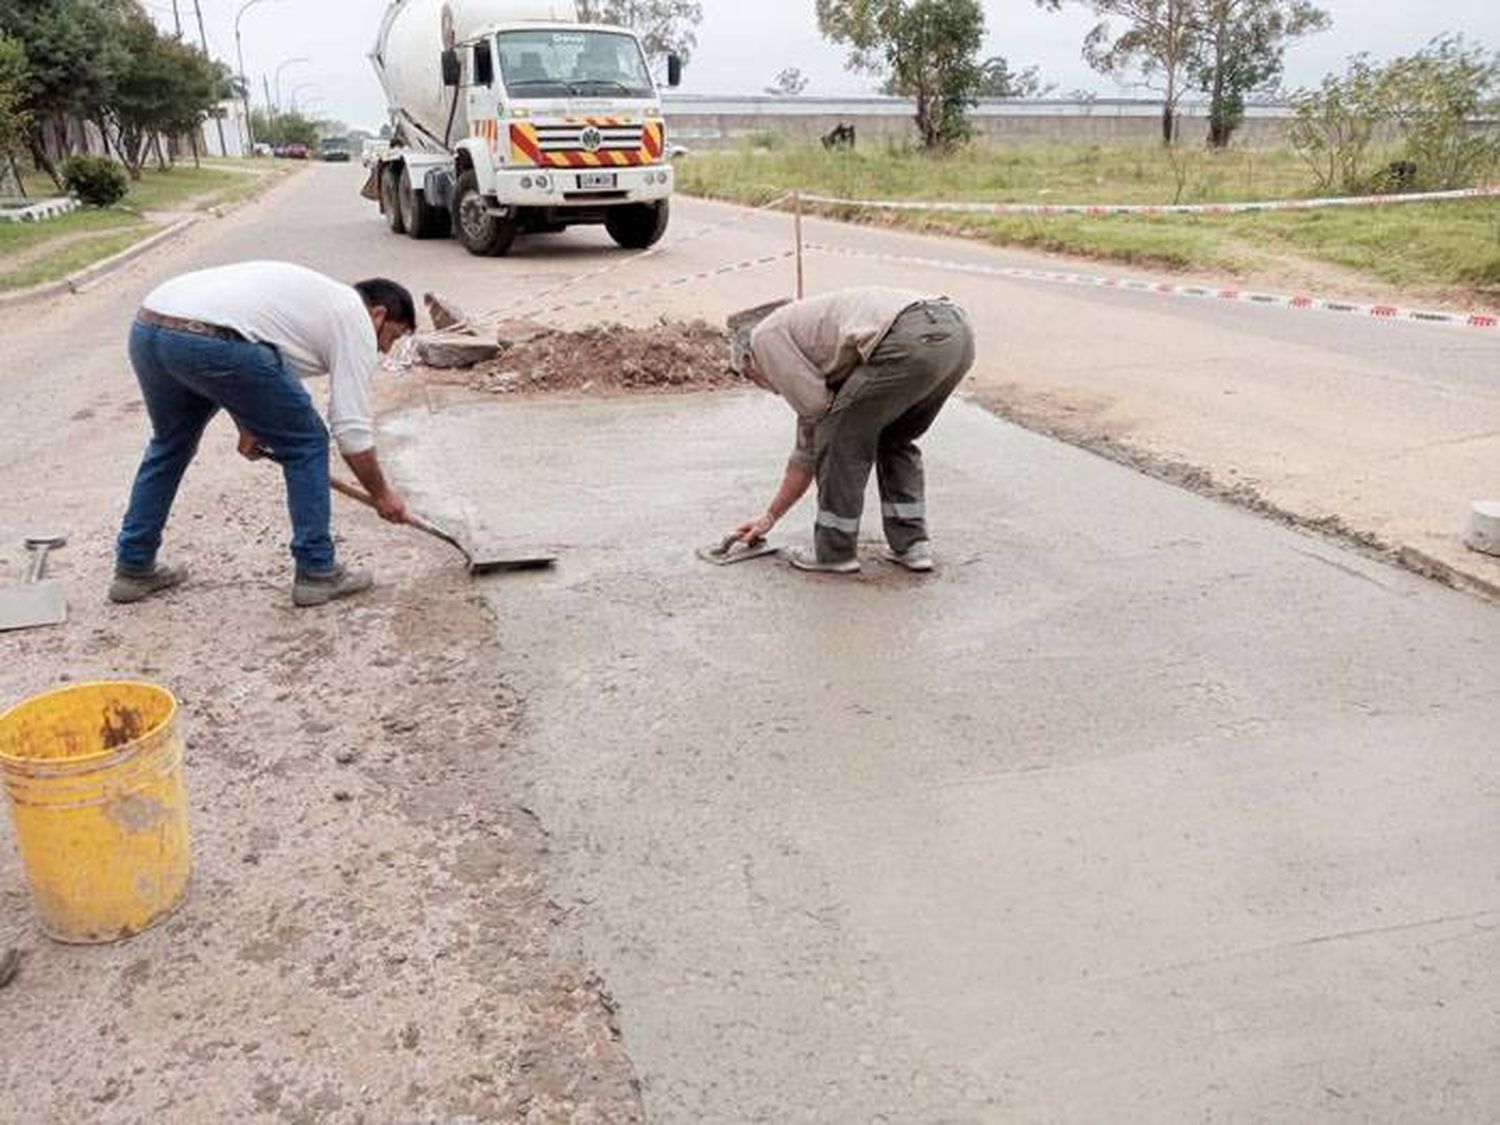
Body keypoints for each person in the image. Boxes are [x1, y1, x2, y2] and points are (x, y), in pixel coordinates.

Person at [109, 261, 417, 608]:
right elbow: (351, 429)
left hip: (151, 327)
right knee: (307, 443)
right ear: (378, 314)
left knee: (170, 443)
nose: (386, 350)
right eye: (392, 336)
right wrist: (381, 494)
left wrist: (248, 424)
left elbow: (251, 368)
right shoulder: (354, 318)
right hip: (211, 340)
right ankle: (318, 570)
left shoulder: (312, 309)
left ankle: (133, 566)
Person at [729, 287, 975, 574]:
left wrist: (771, 516)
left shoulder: (764, 339)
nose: (766, 389)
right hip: (957, 334)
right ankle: (913, 546)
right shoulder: (812, 337)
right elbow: (810, 438)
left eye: (751, 378)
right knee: (894, 437)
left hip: (908, 336)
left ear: (748, 360)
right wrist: (769, 518)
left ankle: (834, 553)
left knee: (838, 440)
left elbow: (819, 423)